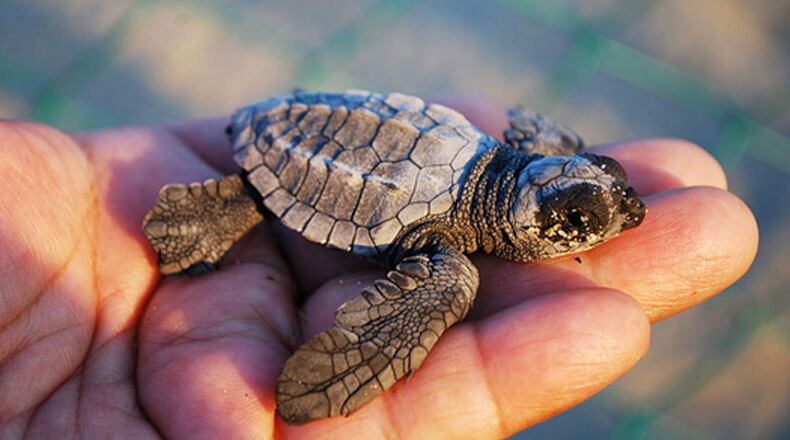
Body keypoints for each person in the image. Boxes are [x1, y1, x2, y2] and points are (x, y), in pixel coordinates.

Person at [0, 99, 758, 439]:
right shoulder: (452, 253)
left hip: (341, 116)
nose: (618, 217)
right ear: (535, 228)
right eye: (586, 218)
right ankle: (232, 203)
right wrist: (365, 349)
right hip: (291, 157)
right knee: (447, 286)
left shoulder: (510, 155)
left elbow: (535, 131)